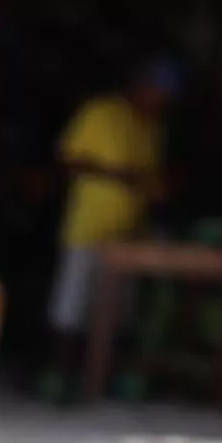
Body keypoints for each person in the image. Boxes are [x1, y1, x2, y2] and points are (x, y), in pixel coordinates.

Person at [45, 58, 178, 397]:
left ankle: (96, 381)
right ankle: (58, 379)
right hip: (88, 228)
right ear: (141, 84)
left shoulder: (151, 127)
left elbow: (147, 177)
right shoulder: (102, 112)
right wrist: (121, 176)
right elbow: (69, 160)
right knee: (71, 305)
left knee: (117, 313)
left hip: (129, 234)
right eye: (157, 92)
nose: (160, 101)